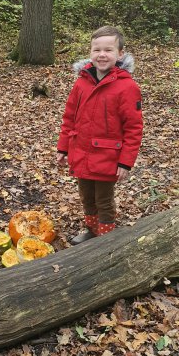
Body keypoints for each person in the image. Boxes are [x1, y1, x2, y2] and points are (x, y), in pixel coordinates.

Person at [57, 25, 143, 244]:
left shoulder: (127, 87)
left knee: (103, 199)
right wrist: (63, 147)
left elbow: (134, 128)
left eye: (108, 50)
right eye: (97, 50)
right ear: (90, 52)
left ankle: (104, 240)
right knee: (87, 197)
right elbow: (69, 117)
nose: (102, 55)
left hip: (108, 157)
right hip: (81, 152)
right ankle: (92, 230)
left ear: (120, 54)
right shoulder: (82, 82)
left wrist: (125, 162)